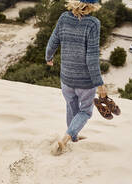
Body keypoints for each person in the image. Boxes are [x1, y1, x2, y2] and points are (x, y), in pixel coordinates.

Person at [46, 0, 107, 154]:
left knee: (71, 107)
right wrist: (99, 84)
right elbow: (91, 58)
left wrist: (48, 57)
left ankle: (73, 136)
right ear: (93, 5)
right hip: (85, 81)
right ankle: (66, 138)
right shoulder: (93, 23)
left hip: (66, 77)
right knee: (85, 112)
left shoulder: (63, 18)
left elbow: (53, 40)